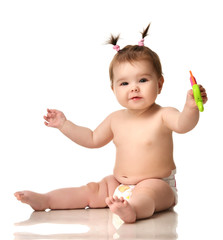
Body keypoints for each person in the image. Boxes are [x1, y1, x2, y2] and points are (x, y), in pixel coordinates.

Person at [14, 24, 208, 223]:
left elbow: (184, 124)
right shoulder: (115, 119)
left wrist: (191, 108)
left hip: (158, 184)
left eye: (142, 80)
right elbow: (91, 139)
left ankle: (132, 210)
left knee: (147, 195)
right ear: (113, 89)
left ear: (159, 84)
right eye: (124, 83)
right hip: (118, 184)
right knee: (91, 190)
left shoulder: (164, 114)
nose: (133, 88)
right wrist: (65, 125)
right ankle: (46, 200)